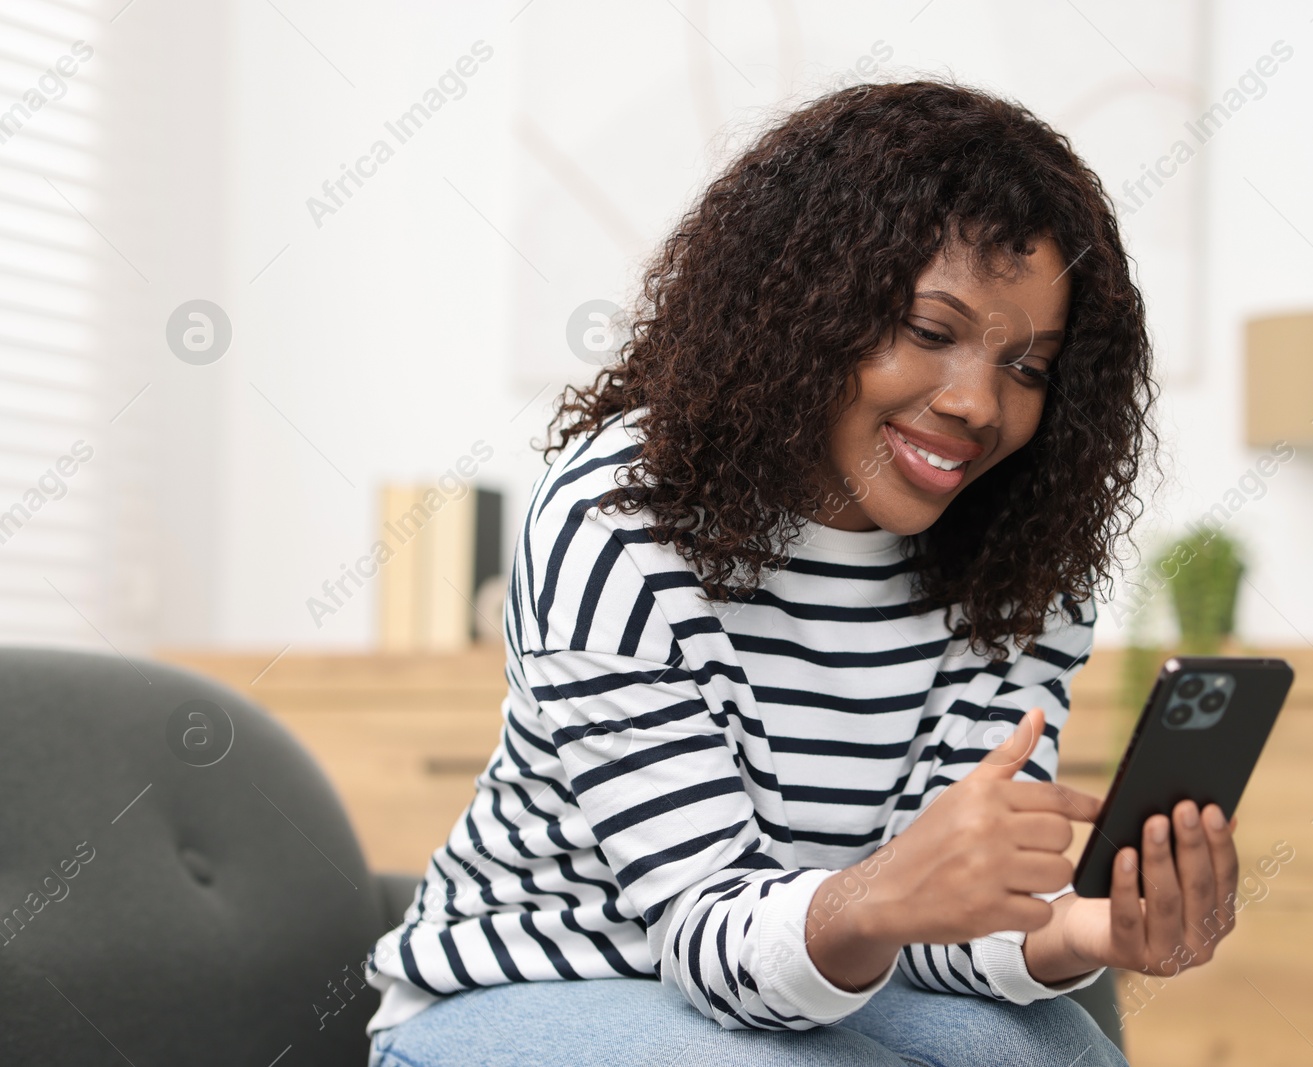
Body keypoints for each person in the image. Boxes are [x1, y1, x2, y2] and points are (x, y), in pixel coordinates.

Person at [364, 79, 1241, 1067]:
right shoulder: (625, 514)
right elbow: (706, 933)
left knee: (1051, 1051)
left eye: (1027, 366)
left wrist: (1087, 930)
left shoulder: (1016, 556)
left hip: (818, 987)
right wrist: (885, 890)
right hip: (531, 987)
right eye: (931, 330)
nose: (978, 404)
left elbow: (938, 911)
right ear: (808, 307)